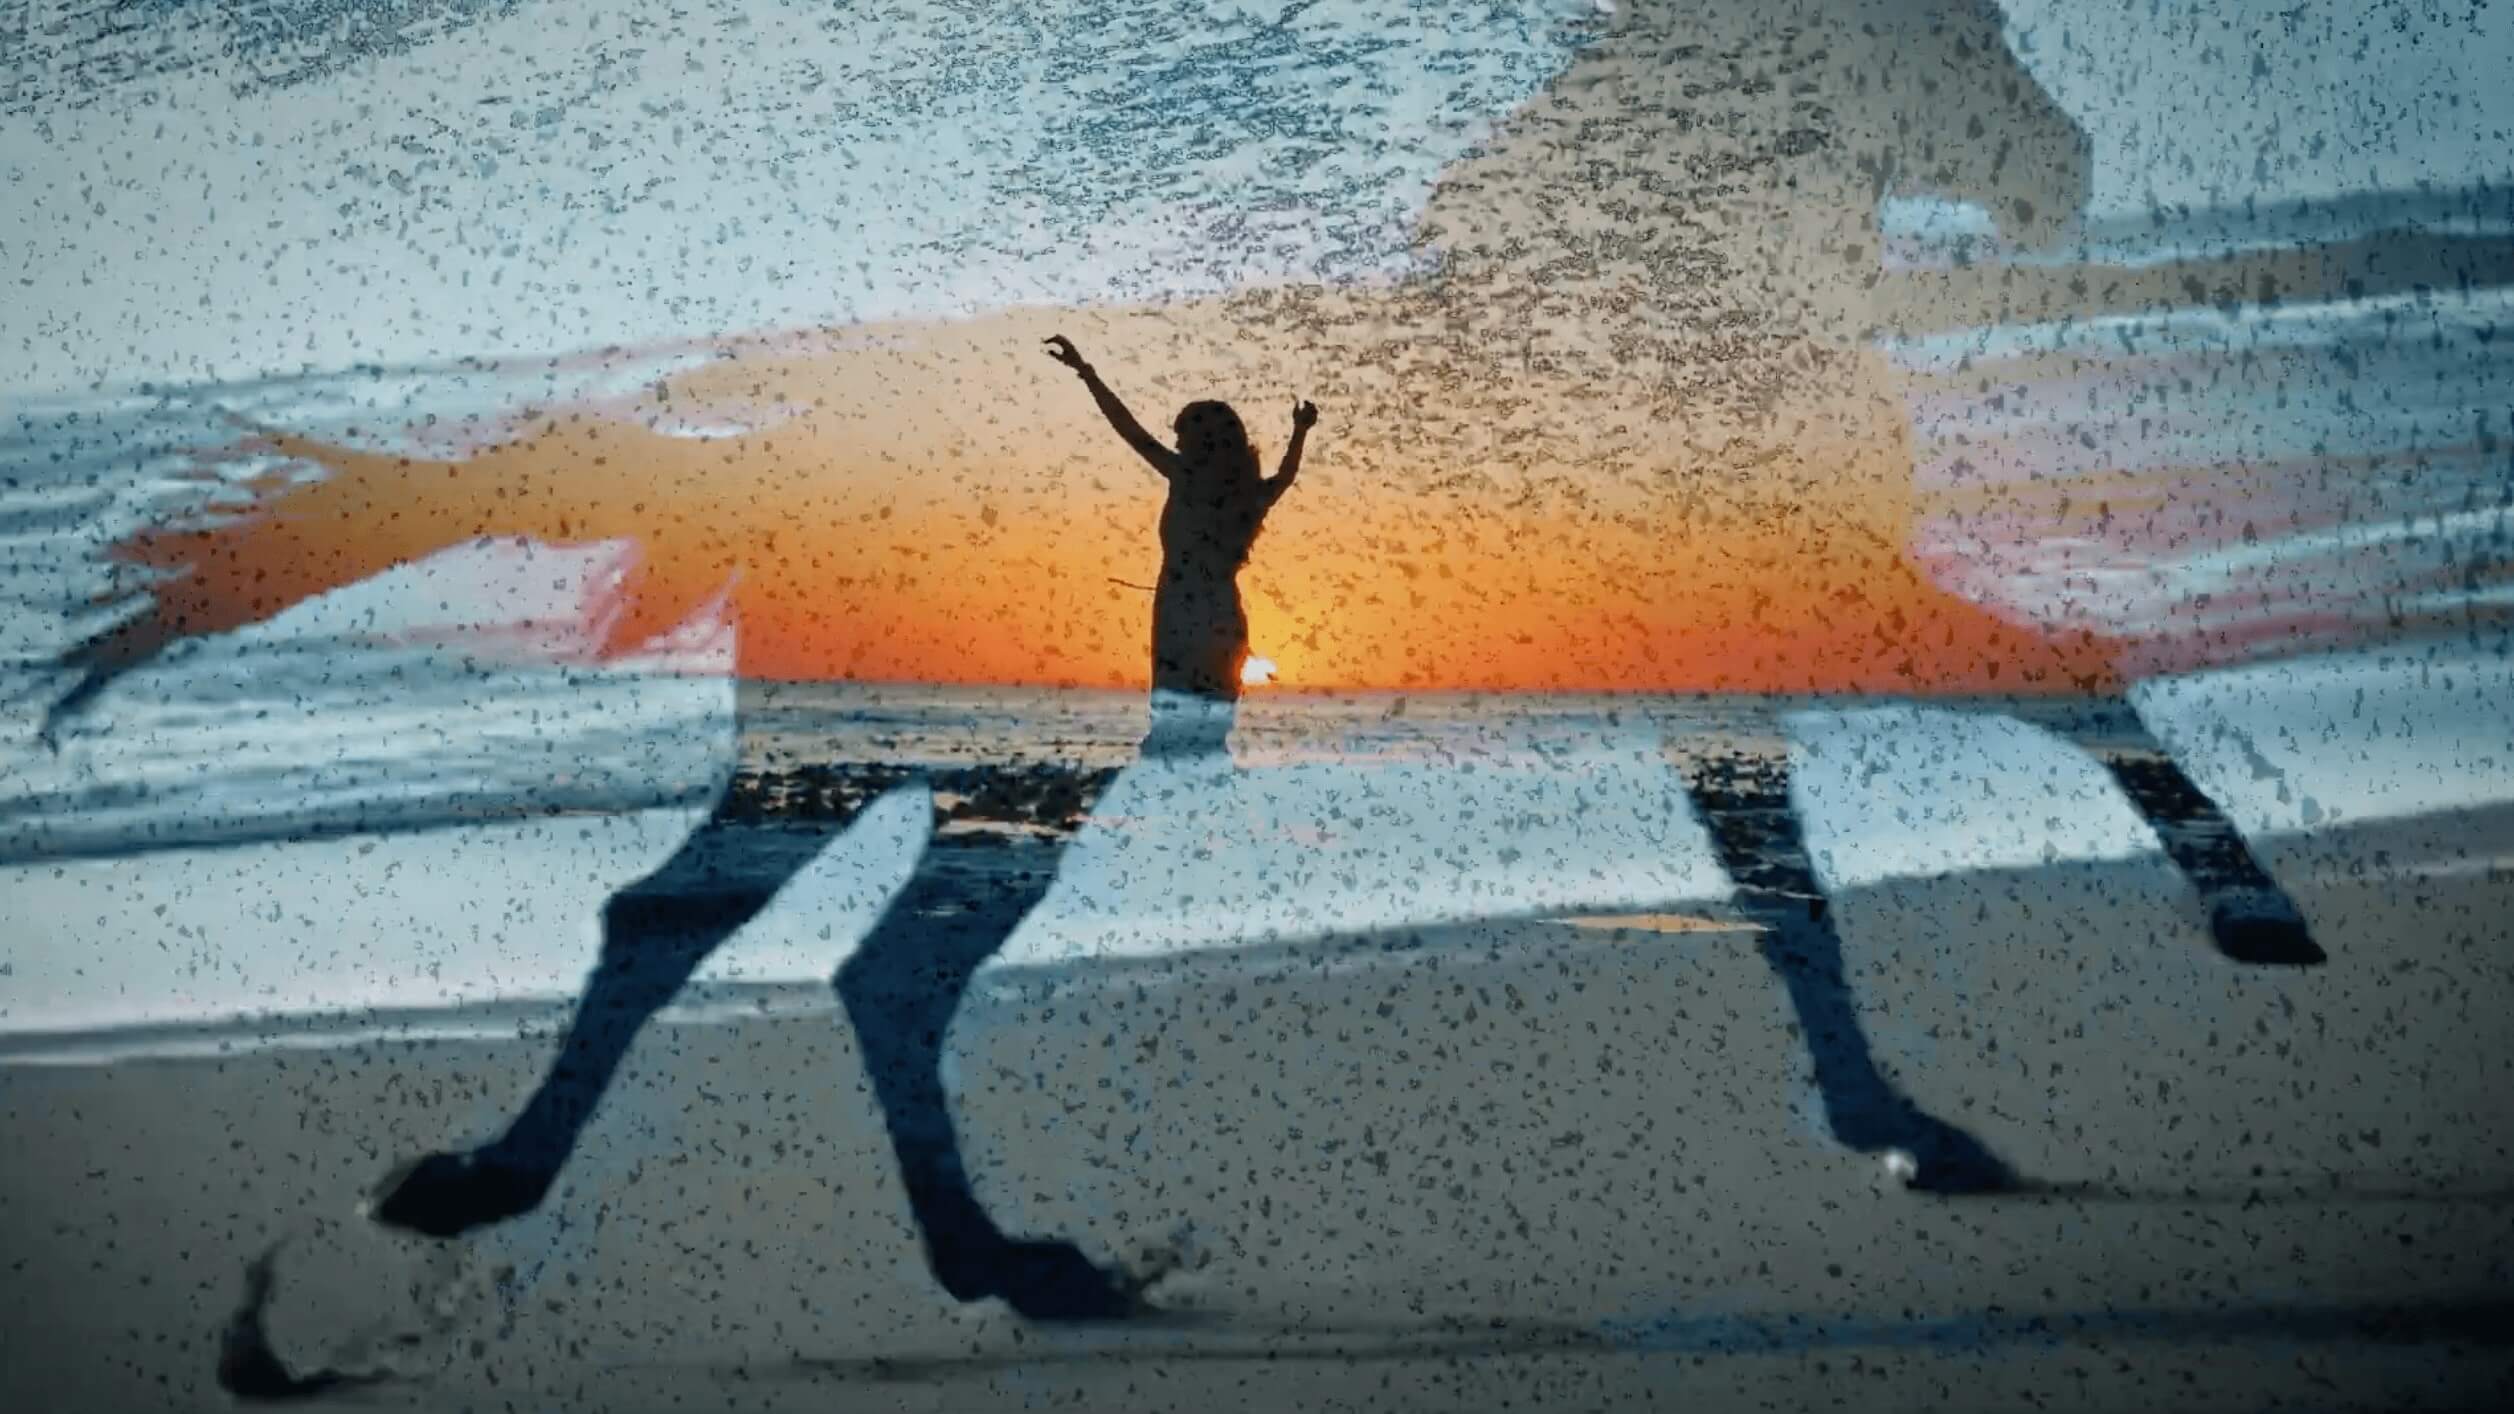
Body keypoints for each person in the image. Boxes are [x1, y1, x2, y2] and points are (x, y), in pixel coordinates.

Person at [1043, 335, 1312, 758]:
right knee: (1208, 729)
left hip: (1180, 610)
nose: (1178, 444)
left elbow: (1128, 429)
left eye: (1183, 435)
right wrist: (1300, 432)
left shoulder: (1184, 476)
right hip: (1221, 612)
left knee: (1172, 725)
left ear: (1203, 443)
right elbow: (1286, 476)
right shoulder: (1250, 494)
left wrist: (1086, 372)